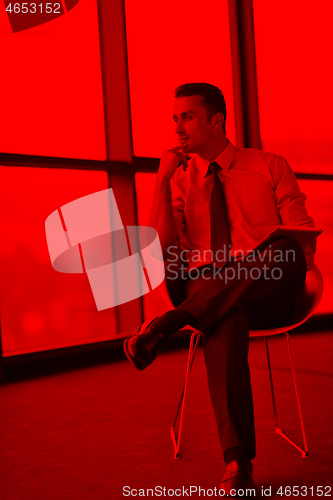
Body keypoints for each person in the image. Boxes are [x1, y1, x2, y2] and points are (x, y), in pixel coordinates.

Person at [123, 83, 315, 495]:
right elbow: (162, 250)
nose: (177, 128)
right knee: (224, 314)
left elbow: (301, 237)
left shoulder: (269, 165)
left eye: (186, 117)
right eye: (174, 119)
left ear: (216, 120)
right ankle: (237, 462)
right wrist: (160, 183)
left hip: (271, 283)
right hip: (208, 285)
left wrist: (270, 259)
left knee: (283, 249)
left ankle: (169, 323)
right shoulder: (178, 181)